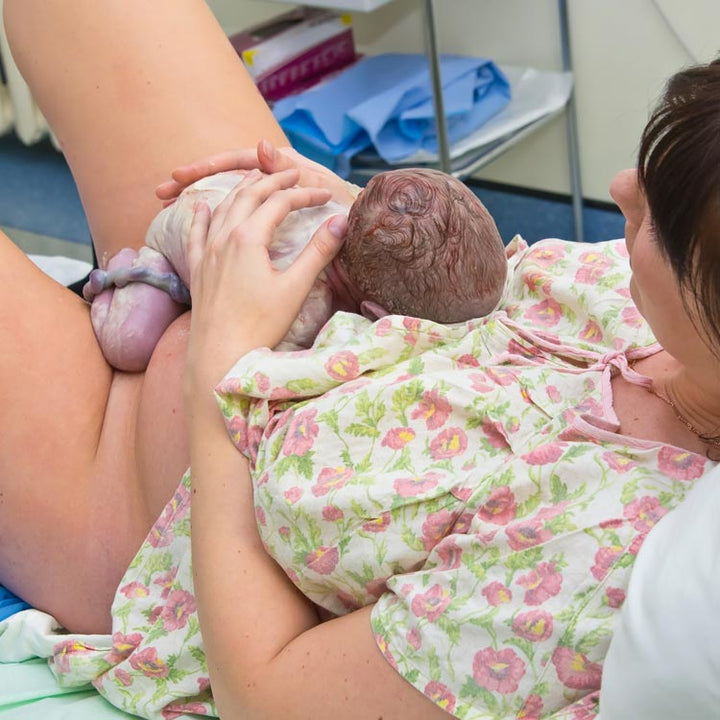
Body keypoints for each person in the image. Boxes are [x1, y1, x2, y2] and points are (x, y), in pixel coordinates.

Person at [0, 2, 718, 718]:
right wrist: (364, 227)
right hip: (267, 274)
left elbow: (267, 697)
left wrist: (222, 361)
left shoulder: (591, 573)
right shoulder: (650, 307)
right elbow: (496, 301)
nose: (621, 188)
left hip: (154, 517)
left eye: (660, 216)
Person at [84, 162, 507, 371]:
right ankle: (129, 273)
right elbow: (240, 371)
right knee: (132, 344)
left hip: (237, 191)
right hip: (190, 225)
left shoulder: (348, 208)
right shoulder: (303, 309)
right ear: (375, 315)